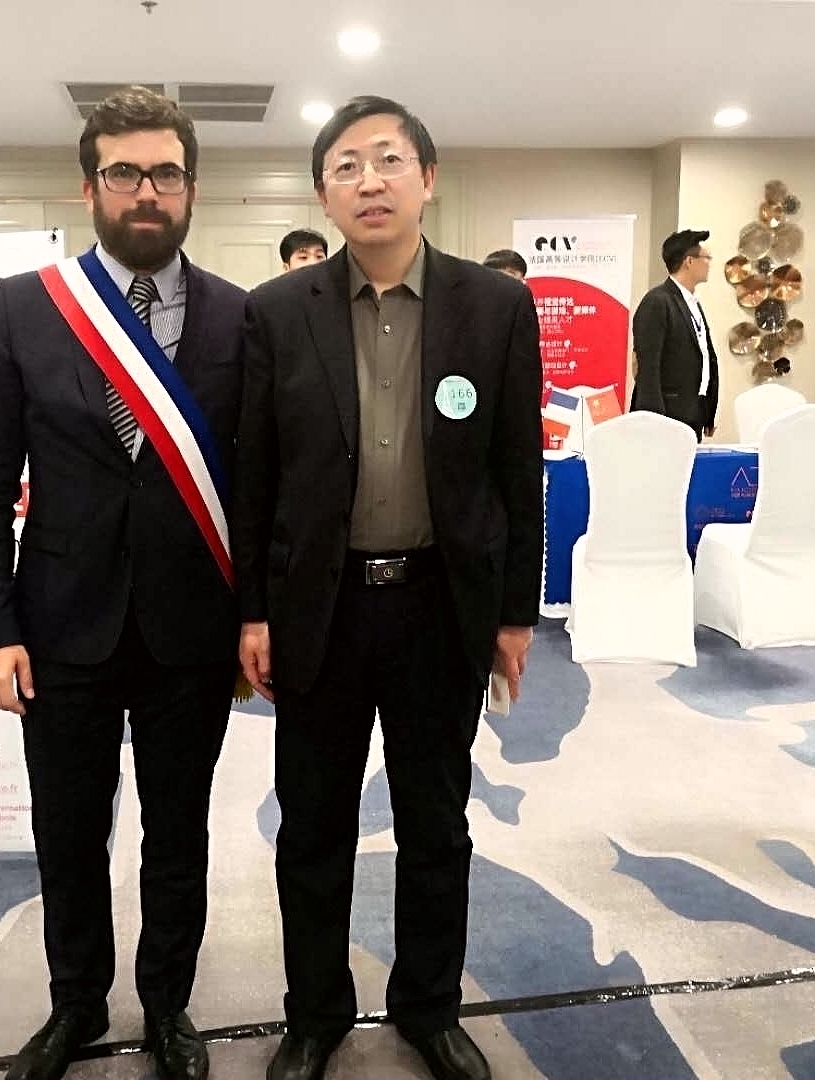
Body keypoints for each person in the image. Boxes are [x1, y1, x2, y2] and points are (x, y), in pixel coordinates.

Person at [233, 96, 543, 1080]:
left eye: (389, 160)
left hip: (437, 608)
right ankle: (315, 1014)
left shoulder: (495, 308)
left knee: (435, 823)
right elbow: (254, 475)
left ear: (427, 178)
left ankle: (428, 1007)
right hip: (317, 610)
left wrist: (516, 614)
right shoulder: (277, 312)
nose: (370, 181)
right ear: (323, 195)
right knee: (312, 824)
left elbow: (516, 471)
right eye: (346, 167)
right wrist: (251, 609)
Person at [0, 86, 246, 1080]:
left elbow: (255, 482)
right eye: (124, 172)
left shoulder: (239, 315)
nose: (145, 191)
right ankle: (76, 1003)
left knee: (178, 831)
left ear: (191, 188)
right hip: (59, 625)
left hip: (190, 627)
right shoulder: (27, 305)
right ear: (89, 188)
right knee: (69, 832)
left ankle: (167, 1005)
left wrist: (255, 616)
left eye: (165, 173)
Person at [630, 229, 720, 440]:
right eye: (706, 258)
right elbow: (648, 368)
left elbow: (704, 356)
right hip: (666, 416)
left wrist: (708, 412)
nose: (709, 263)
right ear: (689, 261)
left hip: (693, 412)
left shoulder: (692, 303)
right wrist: (654, 421)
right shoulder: (658, 301)